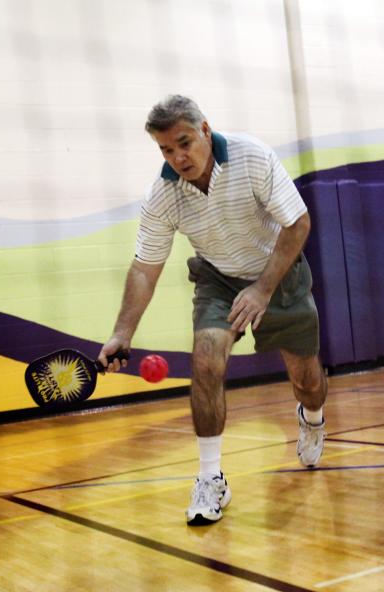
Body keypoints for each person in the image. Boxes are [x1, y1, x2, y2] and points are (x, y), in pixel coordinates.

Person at [98, 95, 328, 525]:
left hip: (278, 272)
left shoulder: (251, 156)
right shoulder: (162, 193)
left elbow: (298, 223)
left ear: (205, 130)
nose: (177, 157)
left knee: (307, 379)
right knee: (205, 359)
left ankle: (312, 419)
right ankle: (210, 478)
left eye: (184, 143)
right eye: (166, 149)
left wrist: (262, 289)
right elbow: (145, 269)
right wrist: (121, 333)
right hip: (219, 279)